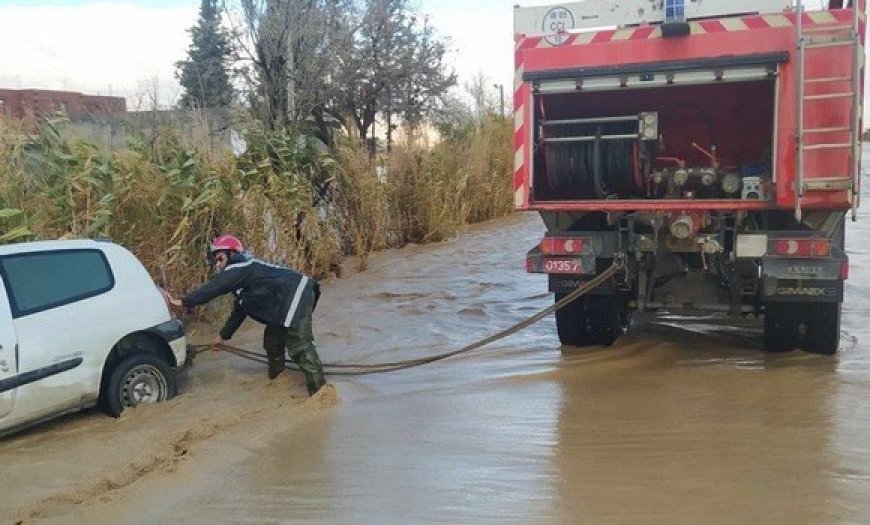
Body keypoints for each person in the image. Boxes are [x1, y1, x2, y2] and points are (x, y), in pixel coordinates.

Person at [171, 235, 326, 395]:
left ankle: (321, 394)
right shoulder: (242, 277)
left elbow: (214, 287)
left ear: (232, 253)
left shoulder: (240, 266)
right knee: (272, 342)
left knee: (300, 346)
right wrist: (222, 336)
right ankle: (278, 383)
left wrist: (185, 302)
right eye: (215, 260)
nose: (218, 264)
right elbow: (240, 310)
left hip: (296, 294)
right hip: (284, 303)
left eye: (220, 257)